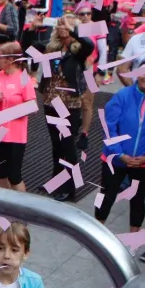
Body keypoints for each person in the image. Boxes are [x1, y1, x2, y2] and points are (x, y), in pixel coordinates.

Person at [95, 60, 145, 236]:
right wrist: (120, 154)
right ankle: (97, 233)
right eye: (144, 72)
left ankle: (133, 238)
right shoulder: (122, 95)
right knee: (106, 195)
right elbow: (109, 127)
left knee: (138, 199)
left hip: (143, 161)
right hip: (115, 158)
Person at [39, 14, 94, 202]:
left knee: (67, 147)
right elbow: (32, 49)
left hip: (69, 104)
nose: (62, 27)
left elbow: (88, 44)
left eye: (67, 25)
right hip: (51, 102)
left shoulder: (78, 50)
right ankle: (56, 182)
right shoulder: (53, 47)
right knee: (56, 145)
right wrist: (33, 29)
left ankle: (70, 188)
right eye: (60, 25)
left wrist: (72, 30)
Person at [0, 42, 35, 193]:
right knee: (0, 173)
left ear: (9, 60)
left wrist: (5, 116)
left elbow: (32, 106)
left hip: (14, 136)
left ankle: (20, 207)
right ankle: (4, 205)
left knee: (14, 176)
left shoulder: (24, 78)